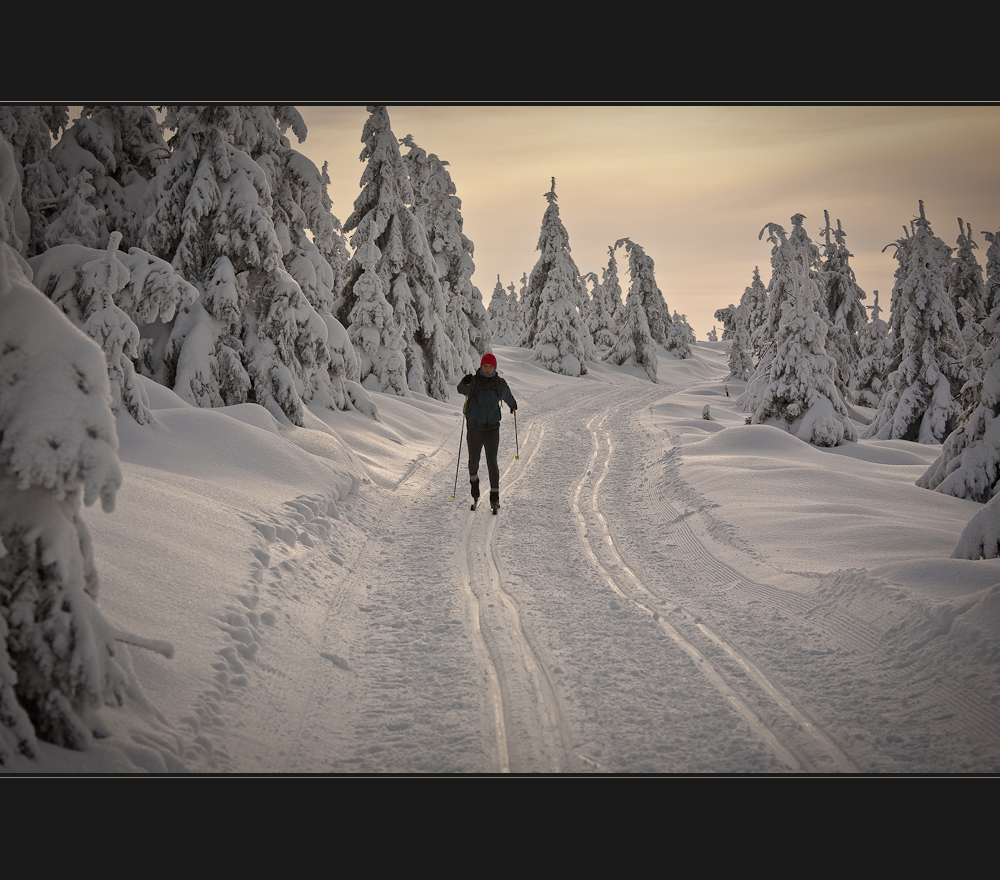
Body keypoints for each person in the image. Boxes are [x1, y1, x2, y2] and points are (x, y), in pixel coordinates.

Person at [457, 353, 517, 512]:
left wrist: (513, 405)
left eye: (491, 367)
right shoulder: (475, 381)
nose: (488, 369)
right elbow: (460, 390)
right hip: (474, 428)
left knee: (492, 462)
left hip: (492, 428)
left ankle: (494, 497)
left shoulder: (499, 383)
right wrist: (465, 381)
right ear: (481, 366)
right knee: (473, 461)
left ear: (495, 367)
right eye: (485, 366)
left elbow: (507, 395)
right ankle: (475, 490)